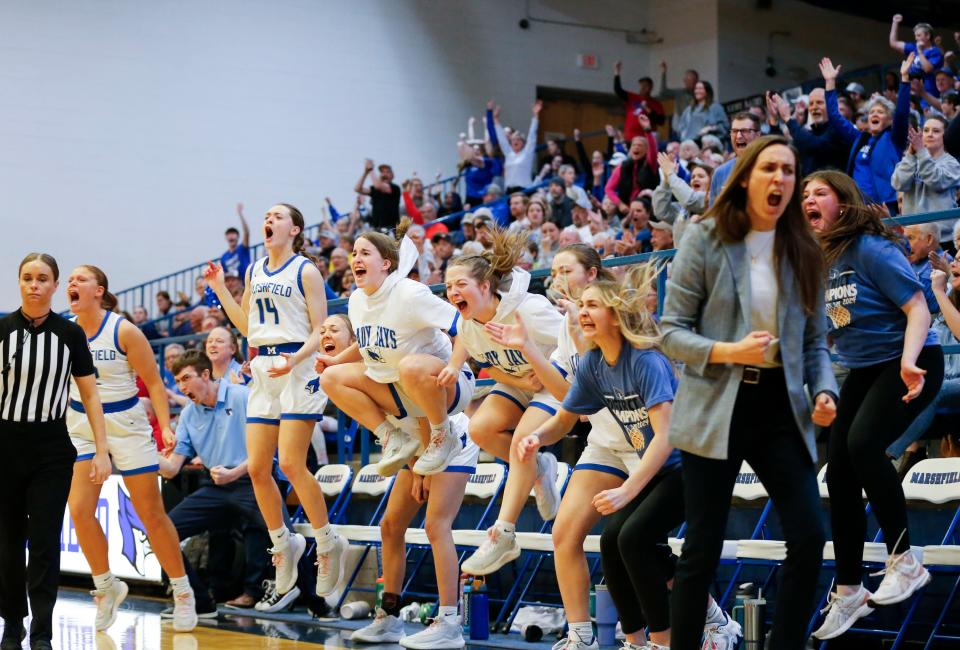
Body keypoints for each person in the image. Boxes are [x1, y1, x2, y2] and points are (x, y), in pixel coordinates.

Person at [661, 137, 838, 650]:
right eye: (769, 168)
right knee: (702, 548)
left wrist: (825, 391)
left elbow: (814, 342)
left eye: (789, 170)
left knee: (808, 536)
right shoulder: (705, 239)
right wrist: (728, 351)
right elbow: (671, 331)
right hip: (716, 403)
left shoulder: (804, 248)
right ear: (745, 178)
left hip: (780, 406)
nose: (780, 178)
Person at [798, 169, 943, 639]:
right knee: (837, 471)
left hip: (914, 359)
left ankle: (905, 559)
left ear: (844, 202)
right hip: (863, 369)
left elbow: (918, 305)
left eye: (820, 192)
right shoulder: (816, 262)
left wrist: (907, 361)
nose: (809, 199)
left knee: (863, 446)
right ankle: (849, 589)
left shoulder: (870, 249)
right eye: (805, 195)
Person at [517, 264, 681, 650]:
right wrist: (536, 437)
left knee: (636, 540)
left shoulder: (646, 361)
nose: (583, 312)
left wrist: (626, 491)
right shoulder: (593, 363)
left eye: (593, 305)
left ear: (616, 315)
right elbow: (564, 420)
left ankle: (663, 642)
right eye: (582, 305)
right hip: (653, 468)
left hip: (690, 466)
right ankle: (635, 642)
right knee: (612, 543)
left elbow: (667, 437)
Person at [205, 202, 347, 604]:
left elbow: (323, 328)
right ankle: (283, 543)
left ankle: (326, 539)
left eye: (277, 216)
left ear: (295, 230)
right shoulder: (253, 270)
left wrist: (297, 360)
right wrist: (219, 289)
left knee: (289, 463)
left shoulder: (305, 270)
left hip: (298, 366)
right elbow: (247, 326)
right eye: (266, 216)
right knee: (257, 469)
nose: (269, 220)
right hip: (266, 367)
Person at [63, 265, 198, 632]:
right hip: (84, 427)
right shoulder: (64, 330)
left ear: (99, 290)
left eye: (81, 279)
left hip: (126, 425)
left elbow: (154, 382)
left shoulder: (123, 330)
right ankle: (107, 586)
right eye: (70, 279)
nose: (72, 283)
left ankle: (183, 591)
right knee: (79, 509)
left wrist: (167, 425)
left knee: (150, 514)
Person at [0, 254, 112, 650]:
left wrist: (101, 451)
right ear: (19, 283)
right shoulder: (1, 330)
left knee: (45, 541)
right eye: (27, 278)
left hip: (51, 448)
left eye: (42, 278)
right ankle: (13, 625)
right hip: (5, 445)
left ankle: (43, 632)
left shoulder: (69, 334)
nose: (34, 285)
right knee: (8, 542)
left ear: (54, 285)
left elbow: (90, 394)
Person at [437, 229, 564, 575]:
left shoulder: (530, 310)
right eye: (448, 287)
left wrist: (549, 369)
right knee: (480, 428)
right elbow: (489, 364)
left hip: (556, 380)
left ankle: (503, 533)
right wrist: (520, 380)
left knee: (523, 442)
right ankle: (540, 468)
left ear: (485, 286)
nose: (452, 292)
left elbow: (577, 337)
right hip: (522, 380)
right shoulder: (468, 325)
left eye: (460, 284)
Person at [317, 218, 476, 477]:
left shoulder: (409, 293)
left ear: (385, 264)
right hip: (401, 388)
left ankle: (443, 435)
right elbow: (368, 343)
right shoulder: (356, 299)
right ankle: (392, 438)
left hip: (449, 386)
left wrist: (455, 366)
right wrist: (335, 362)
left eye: (365, 253)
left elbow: (467, 326)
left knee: (410, 365)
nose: (356, 258)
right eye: (354, 253)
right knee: (331, 378)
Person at [157, 350, 273, 614]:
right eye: (178, 381)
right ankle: (199, 601)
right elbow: (172, 468)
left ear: (206, 374)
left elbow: (268, 448)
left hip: (253, 479)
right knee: (163, 533)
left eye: (187, 378)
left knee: (284, 537)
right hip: (216, 486)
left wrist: (235, 473)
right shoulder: (188, 414)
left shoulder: (242, 396)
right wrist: (145, 453)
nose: (182, 386)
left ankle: (317, 601)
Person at [352, 412, 478, 648]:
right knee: (390, 526)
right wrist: (417, 468)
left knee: (436, 525)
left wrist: (427, 470)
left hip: (449, 435)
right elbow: (400, 434)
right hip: (420, 443)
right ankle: (389, 616)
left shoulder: (373, 378)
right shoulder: (349, 390)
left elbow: (423, 413)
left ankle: (449, 623)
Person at [820, 56, 911, 212]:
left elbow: (902, 113)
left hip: (886, 207)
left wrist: (904, 79)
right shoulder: (860, 138)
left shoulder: (894, 139)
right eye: (872, 112)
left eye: (880, 112)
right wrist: (830, 83)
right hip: (858, 208)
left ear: (889, 120)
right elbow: (835, 118)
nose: (874, 114)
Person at [891, 115, 960, 221]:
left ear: (945, 136)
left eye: (936, 131)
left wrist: (921, 152)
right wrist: (910, 155)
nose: (930, 134)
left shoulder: (953, 164)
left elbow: (935, 181)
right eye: (926, 130)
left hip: (942, 235)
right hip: (913, 232)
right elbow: (898, 184)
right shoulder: (911, 160)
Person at [768, 89, 849, 173]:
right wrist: (774, 121)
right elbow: (783, 152)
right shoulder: (811, 132)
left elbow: (815, 145)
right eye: (811, 104)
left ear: (831, 106)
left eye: (819, 102)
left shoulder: (839, 129)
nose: (814, 107)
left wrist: (788, 118)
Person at [488, 100, 542, 193]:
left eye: (518, 140)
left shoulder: (527, 153)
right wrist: (495, 120)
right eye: (513, 140)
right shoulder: (509, 154)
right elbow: (502, 140)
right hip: (509, 190)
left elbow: (532, 136)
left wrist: (535, 116)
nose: (515, 141)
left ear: (523, 143)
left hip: (523, 190)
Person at [708, 113, 763, 203]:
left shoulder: (771, 167)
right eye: (734, 131)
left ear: (758, 135)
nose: (738, 136)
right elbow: (714, 214)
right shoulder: (719, 173)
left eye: (745, 131)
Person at [889, 14, 943, 97]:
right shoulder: (914, 47)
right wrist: (895, 23)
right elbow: (893, 43)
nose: (916, 38)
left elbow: (928, 69)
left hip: (929, 94)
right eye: (915, 36)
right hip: (912, 92)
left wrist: (920, 52)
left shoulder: (935, 52)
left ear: (928, 36)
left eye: (918, 35)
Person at [604, 135, 659, 216]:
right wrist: (620, 204)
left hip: (648, 210)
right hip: (626, 211)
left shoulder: (650, 164)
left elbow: (653, 150)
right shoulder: (622, 167)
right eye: (634, 145)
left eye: (640, 145)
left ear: (646, 150)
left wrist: (648, 131)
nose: (636, 147)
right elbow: (608, 189)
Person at [614, 61, 666, 137]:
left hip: (646, 138)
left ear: (651, 87)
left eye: (645, 86)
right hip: (630, 137)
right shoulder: (632, 97)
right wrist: (616, 72)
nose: (642, 88)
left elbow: (661, 121)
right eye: (641, 85)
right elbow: (618, 90)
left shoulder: (656, 104)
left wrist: (648, 109)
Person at [356, 160, 402, 230]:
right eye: (382, 172)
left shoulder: (395, 188)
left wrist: (370, 170)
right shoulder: (375, 189)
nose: (384, 174)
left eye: (387, 172)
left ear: (392, 176)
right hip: (377, 229)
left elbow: (378, 186)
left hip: (392, 228)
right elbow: (358, 189)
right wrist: (365, 172)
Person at [222, 203, 251, 284]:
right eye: (229, 235)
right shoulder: (224, 257)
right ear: (226, 238)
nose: (231, 237)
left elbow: (247, 233)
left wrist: (240, 214)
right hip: (235, 288)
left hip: (247, 283)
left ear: (238, 237)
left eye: (233, 234)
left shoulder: (242, 248)